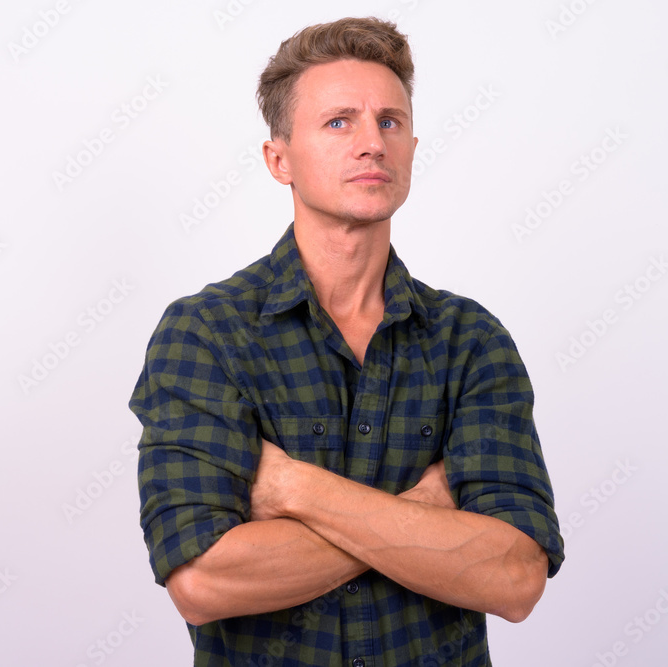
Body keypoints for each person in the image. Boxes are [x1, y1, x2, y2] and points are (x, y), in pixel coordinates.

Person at [129, 16, 563, 667]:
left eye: (389, 121)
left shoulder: (471, 341)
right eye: (339, 122)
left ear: (412, 145)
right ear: (280, 159)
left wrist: (297, 490)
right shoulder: (207, 333)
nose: (371, 143)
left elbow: (515, 575)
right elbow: (204, 581)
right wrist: (422, 514)